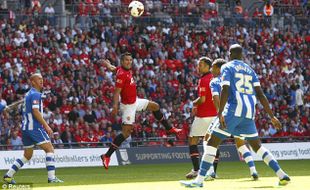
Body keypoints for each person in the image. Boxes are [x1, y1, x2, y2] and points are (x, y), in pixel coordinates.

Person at [180, 44, 290, 187]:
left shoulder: (227, 67)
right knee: (257, 146)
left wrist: (220, 113)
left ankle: (199, 181)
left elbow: (225, 89)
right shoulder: (250, 70)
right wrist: (272, 116)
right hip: (249, 111)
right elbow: (261, 94)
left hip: (233, 110)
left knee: (212, 141)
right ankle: (281, 174)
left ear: (230, 54)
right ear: (242, 55)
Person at [99, 52, 181, 169]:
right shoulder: (122, 74)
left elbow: (113, 68)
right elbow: (117, 92)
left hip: (135, 101)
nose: (129, 62)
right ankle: (106, 156)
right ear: (122, 62)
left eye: (130, 60)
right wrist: (115, 107)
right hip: (128, 106)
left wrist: (107, 65)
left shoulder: (122, 70)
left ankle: (169, 129)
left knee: (155, 106)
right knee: (126, 133)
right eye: (126, 60)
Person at [3, 73, 63, 184]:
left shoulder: (29, 94)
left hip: (25, 128)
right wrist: (46, 125)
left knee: (27, 155)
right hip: (34, 128)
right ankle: (52, 178)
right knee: (49, 149)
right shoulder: (35, 94)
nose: (42, 81)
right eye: (39, 79)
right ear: (33, 82)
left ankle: (8, 175)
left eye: (42, 78)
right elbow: (35, 111)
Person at [209, 58, 258, 179]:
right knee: (241, 144)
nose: (211, 70)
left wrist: (219, 114)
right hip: (242, 112)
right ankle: (253, 170)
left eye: (213, 67)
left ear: (218, 68)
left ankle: (209, 172)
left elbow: (216, 98)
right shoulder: (234, 78)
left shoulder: (215, 81)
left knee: (209, 140)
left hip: (227, 113)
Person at [185, 57, 218, 179]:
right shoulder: (215, 79)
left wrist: (193, 103)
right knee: (212, 143)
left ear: (209, 67)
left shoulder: (203, 80)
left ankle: (196, 169)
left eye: (201, 65)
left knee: (192, 140)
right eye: (198, 65)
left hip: (203, 116)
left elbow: (202, 99)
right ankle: (212, 171)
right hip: (215, 115)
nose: (199, 67)